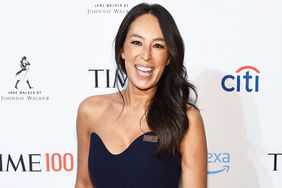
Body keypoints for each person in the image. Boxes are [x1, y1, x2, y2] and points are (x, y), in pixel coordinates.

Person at [75, 3, 207, 188]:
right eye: (137, 42)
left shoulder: (185, 119)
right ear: (122, 49)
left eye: (158, 45)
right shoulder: (90, 111)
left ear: (169, 57)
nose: (146, 55)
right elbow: (84, 183)